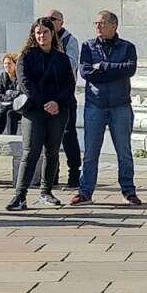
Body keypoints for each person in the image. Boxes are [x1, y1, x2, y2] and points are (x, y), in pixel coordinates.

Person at [71, 10, 140, 206]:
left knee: (124, 152)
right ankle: (85, 191)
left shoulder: (127, 47)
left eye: (102, 23)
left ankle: (129, 191)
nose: (98, 26)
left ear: (114, 25)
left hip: (120, 105)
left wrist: (102, 66)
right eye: (96, 23)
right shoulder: (88, 46)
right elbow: (85, 72)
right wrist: (111, 70)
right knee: (91, 151)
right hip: (95, 104)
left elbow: (129, 69)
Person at [7, 18, 75, 210]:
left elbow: (69, 84)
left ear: (52, 34)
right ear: (33, 35)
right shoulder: (26, 56)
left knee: (52, 152)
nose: (41, 36)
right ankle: (20, 195)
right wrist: (44, 102)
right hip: (34, 111)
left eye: (45, 32)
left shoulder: (61, 58)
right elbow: (25, 83)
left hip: (58, 111)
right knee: (30, 152)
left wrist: (57, 102)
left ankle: (47, 190)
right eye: (38, 32)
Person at [45, 10, 82, 187]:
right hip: (47, 95)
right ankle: (52, 175)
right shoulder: (42, 40)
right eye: (47, 19)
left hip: (65, 95)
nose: (49, 22)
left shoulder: (69, 40)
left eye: (53, 19)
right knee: (49, 137)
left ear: (61, 21)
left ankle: (74, 174)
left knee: (68, 135)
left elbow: (72, 65)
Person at [0, 52, 22, 135]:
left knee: (10, 113)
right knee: (2, 112)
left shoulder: (20, 76)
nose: (7, 65)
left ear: (15, 64)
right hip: (7, 106)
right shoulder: (3, 76)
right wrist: (10, 97)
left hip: (20, 107)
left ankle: (11, 137)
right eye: (5, 63)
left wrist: (8, 92)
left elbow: (20, 93)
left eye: (9, 63)